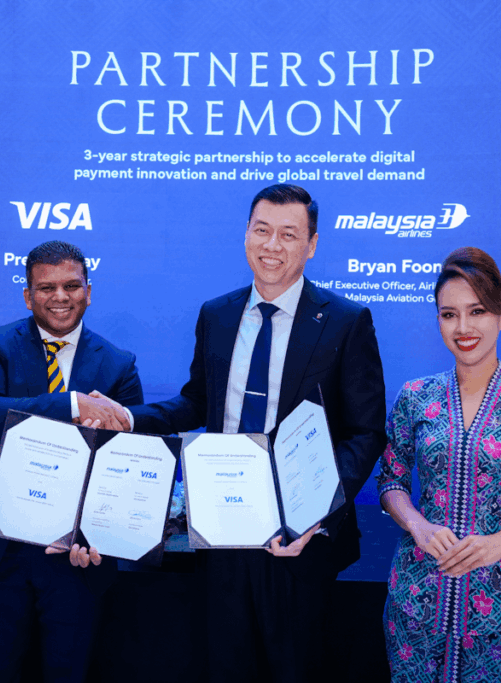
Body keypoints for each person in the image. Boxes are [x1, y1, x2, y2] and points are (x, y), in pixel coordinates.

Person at [100, 184, 387, 683]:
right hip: (221, 532)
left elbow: (364, 433)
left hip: (298, 542)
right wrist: (129, 418)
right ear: (246, 234)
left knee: (296, 670)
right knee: (224, 667)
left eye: (288, 234)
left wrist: (313, 513)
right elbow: (197, 401)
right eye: (262, 230)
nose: (272, 245)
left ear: (312, 244)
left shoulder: (345, 321)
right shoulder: (217, 314)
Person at [0, 240, 143, 683]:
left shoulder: (118, 364)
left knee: (68, 673)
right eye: (46, 287)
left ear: (89, 291)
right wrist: (70, 404)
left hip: (74, 556)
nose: (60, 296)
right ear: (28, 295)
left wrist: (96, 533)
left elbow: (126, 463)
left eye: (72, 285)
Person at [378, 247, 501, 682]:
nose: (463, 328)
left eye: (478, 311)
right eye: (449, 314)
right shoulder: (415, 397)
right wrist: (418, 525)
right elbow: (391, 481)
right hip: (417, 603)